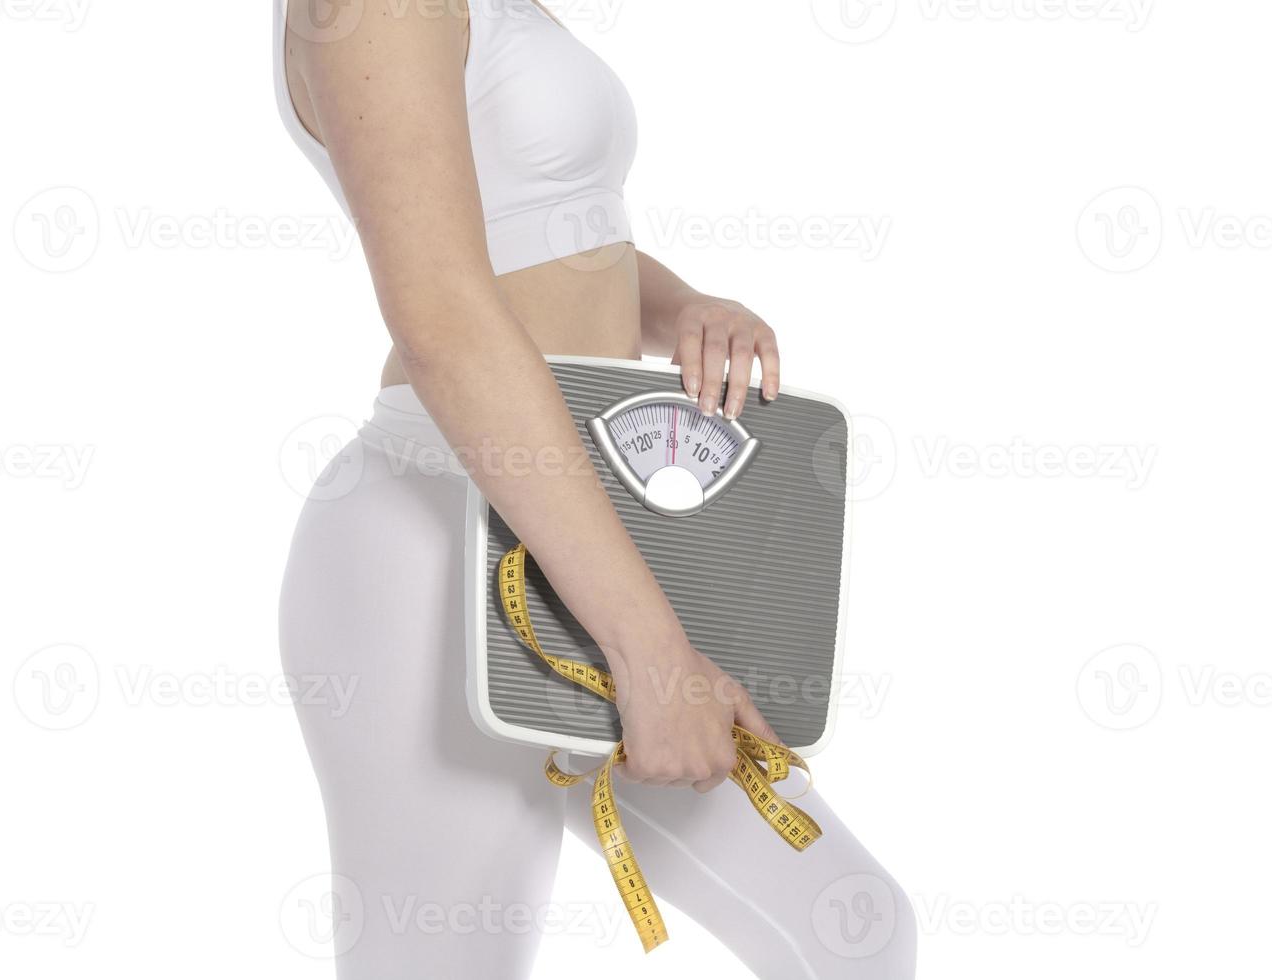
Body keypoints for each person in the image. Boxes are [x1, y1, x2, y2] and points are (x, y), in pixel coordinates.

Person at [273, 1, 916, 975]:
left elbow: (533, 222)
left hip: (571, 537)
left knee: (852, 929)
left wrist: (686, 306)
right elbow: (442, 317)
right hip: (435, 541)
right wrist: (650, 650)